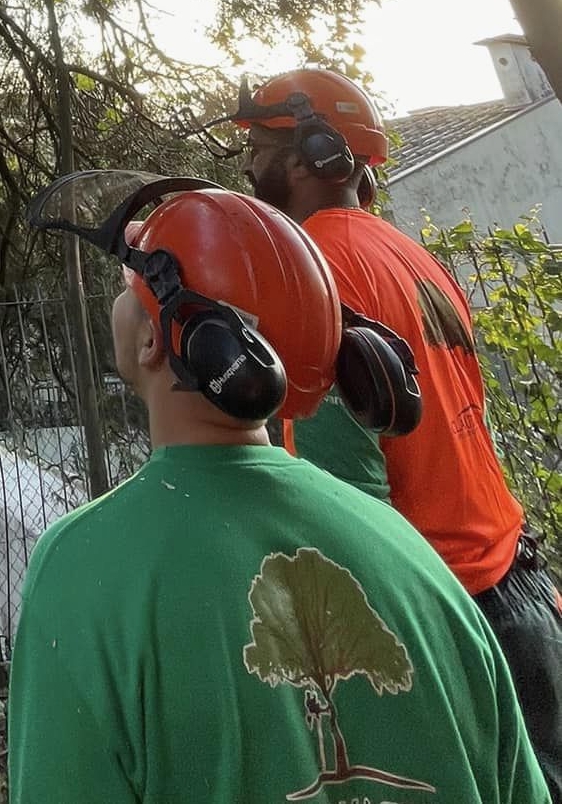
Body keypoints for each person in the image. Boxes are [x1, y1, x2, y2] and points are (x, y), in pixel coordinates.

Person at [10, 172, 547, 803]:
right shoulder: (411, 557)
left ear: (162, 338)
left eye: (130, 285)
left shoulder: (80, 568)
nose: (119, 299)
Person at [237, 68, 562, 800]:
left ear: (307, 156)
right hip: (517, 589)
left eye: (257, 148)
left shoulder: (314, 269)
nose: (251, 168)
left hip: (442, 610)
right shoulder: (409, 255)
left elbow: (345, 496)